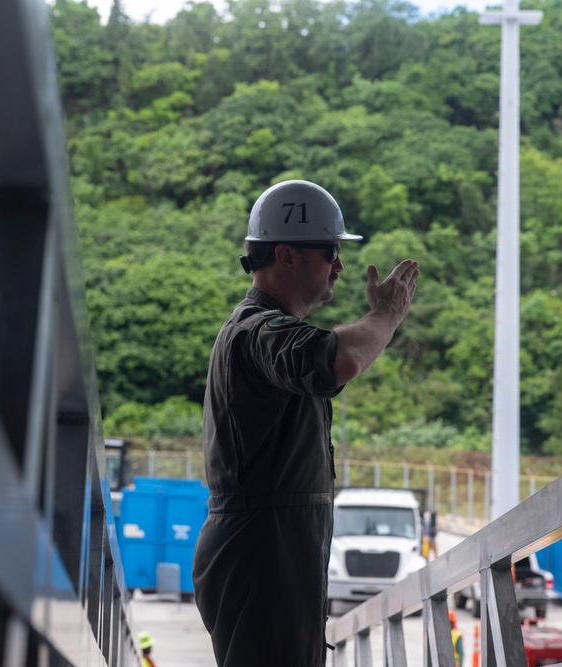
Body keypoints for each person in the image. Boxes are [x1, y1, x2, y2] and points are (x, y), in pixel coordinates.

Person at [192, 180, 419, 667]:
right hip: (262, 556)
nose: (339, 266)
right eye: (330, 252)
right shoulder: (257, 332)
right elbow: (337, 360)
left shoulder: (258, 332)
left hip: (271, 554)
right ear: (288, 256)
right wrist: (387, 315)